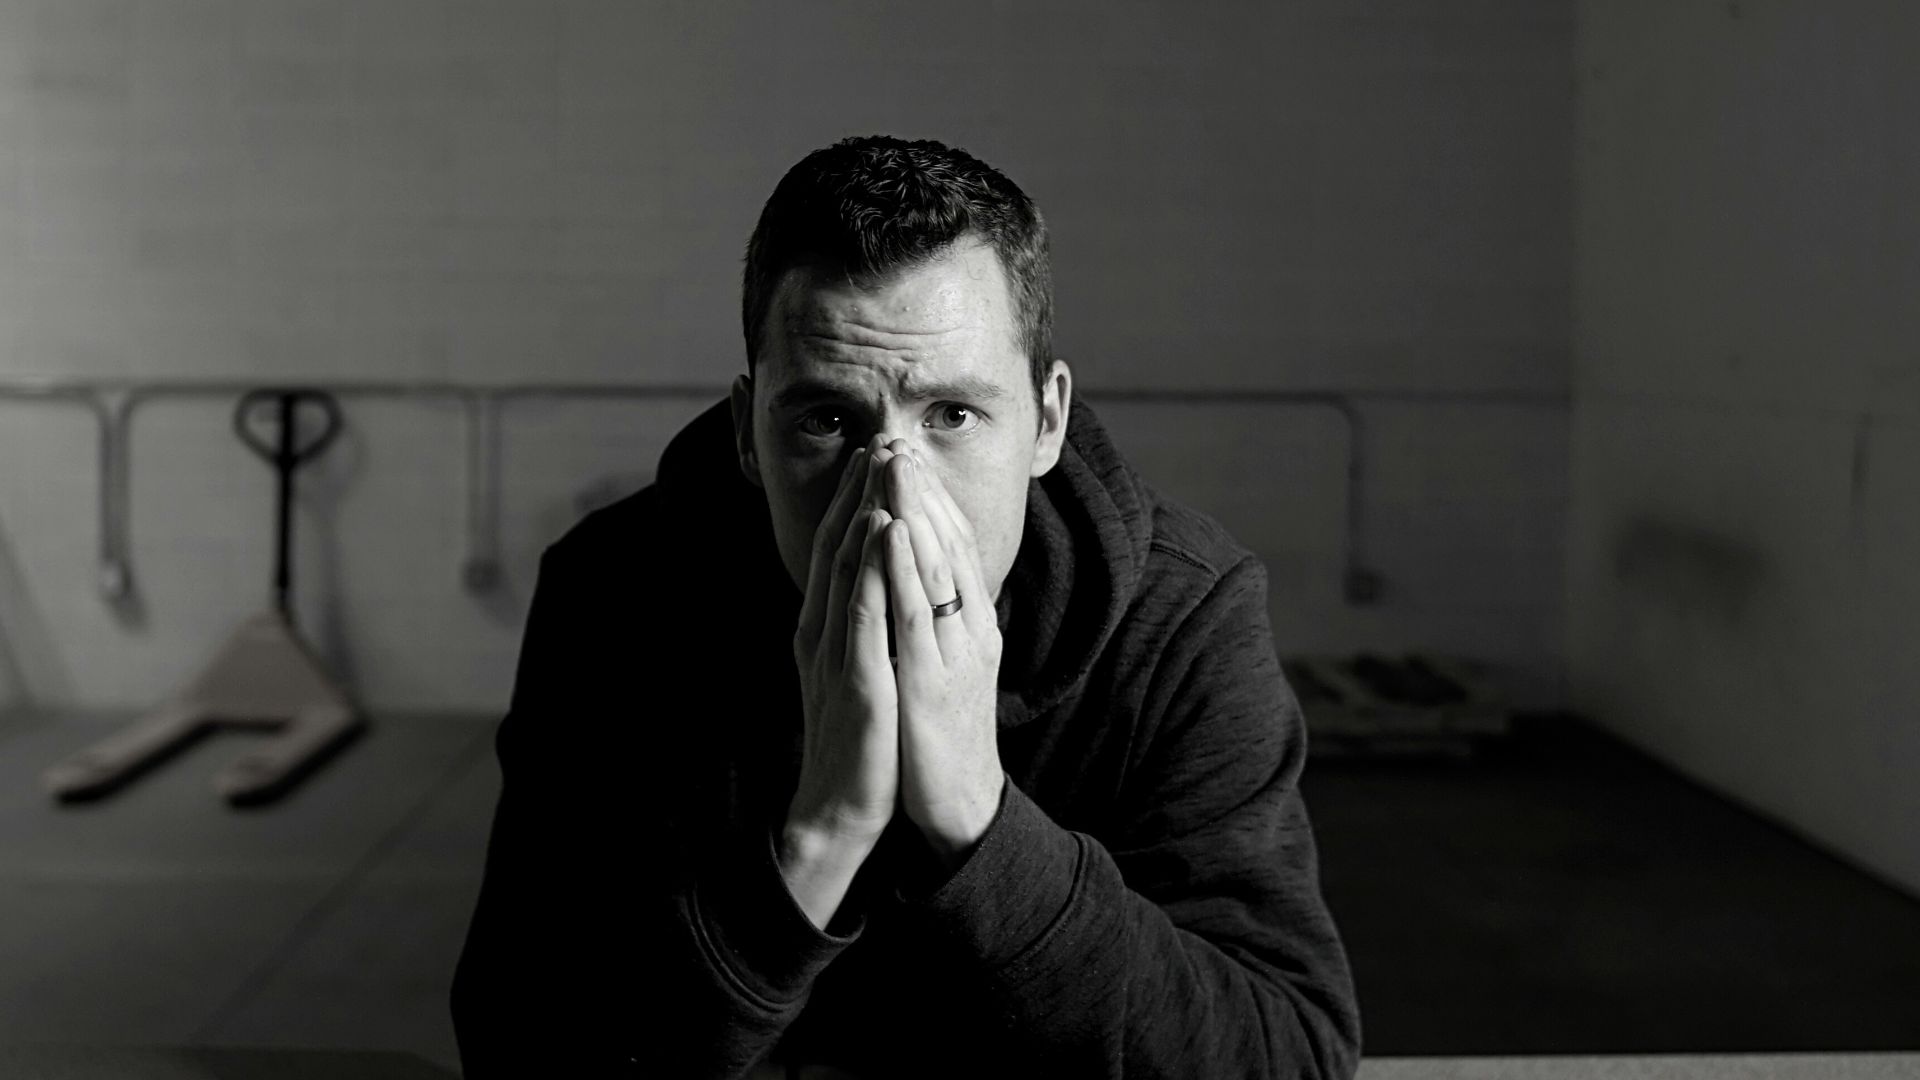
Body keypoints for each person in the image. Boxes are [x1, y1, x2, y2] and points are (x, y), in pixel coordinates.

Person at [450, 134, 1362, 1079]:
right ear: (748, 434)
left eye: (953, 416)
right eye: (826, 420)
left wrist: (977, 816)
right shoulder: (613, 595)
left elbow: (1290, 1055)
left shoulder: (1181, 618)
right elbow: (520, 1047)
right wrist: (823, 832)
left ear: (1046, 421)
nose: (892, 496)